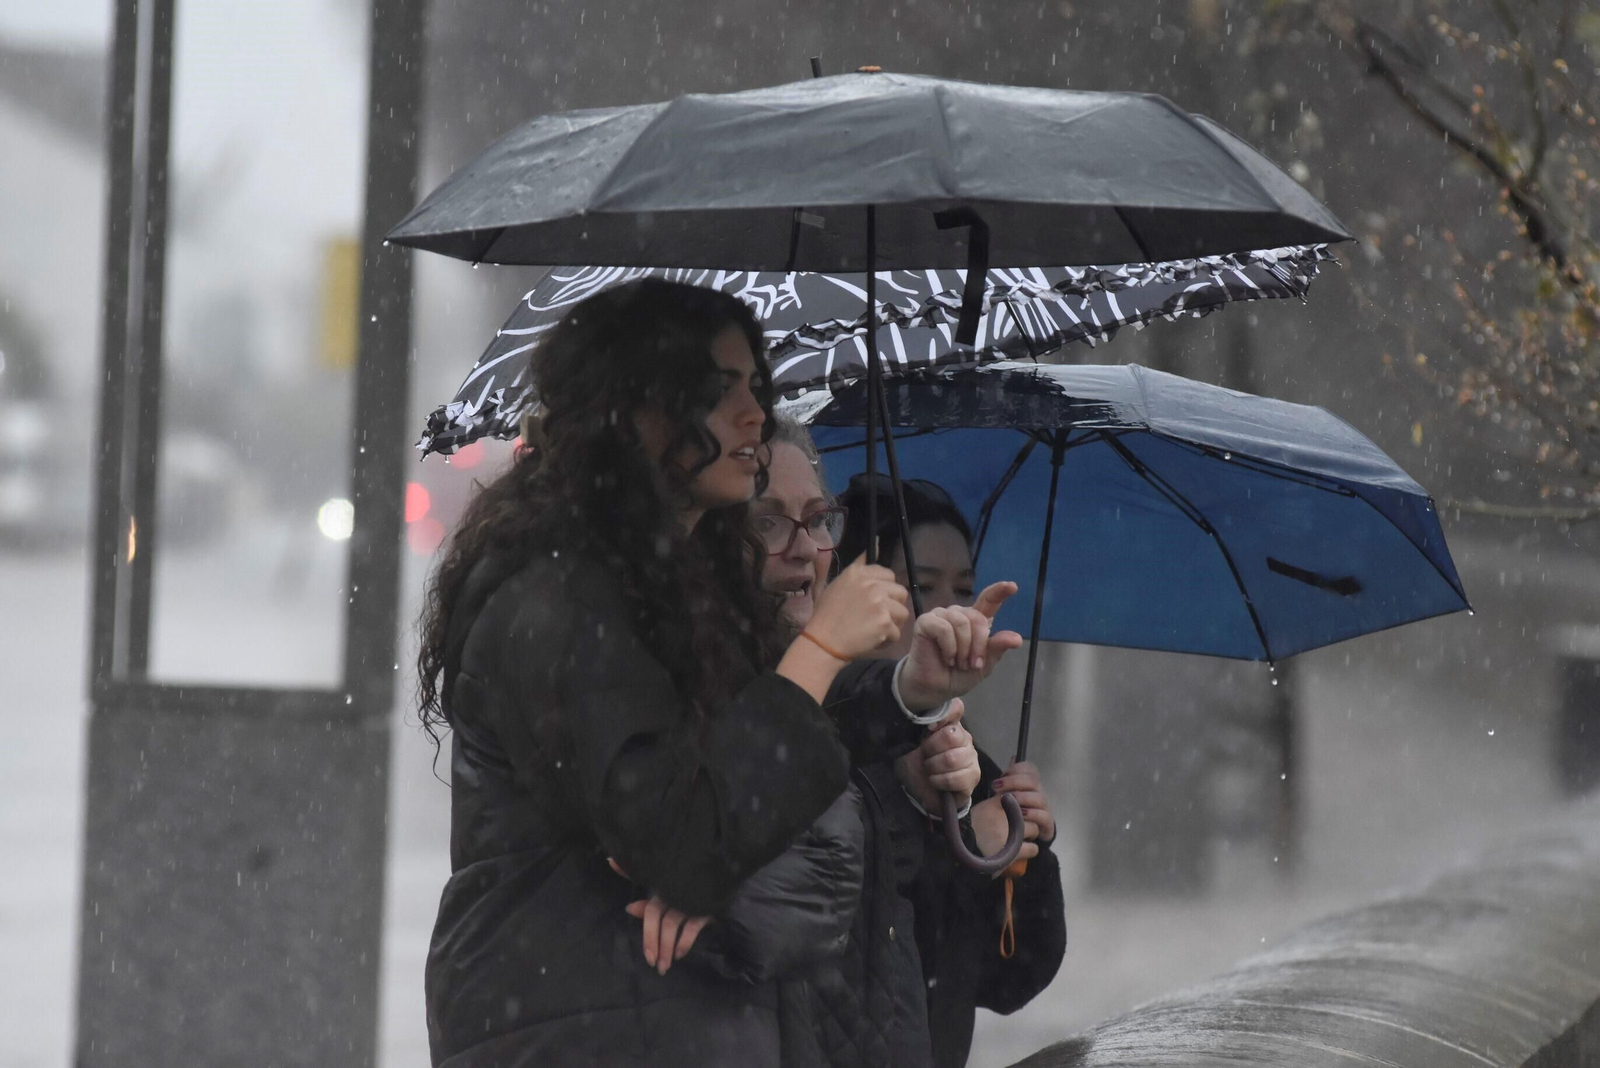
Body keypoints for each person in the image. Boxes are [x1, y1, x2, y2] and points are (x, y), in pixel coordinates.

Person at [416, 279, 917, 1068]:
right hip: (583, 1029)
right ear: (630, 411)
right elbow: (686, 838)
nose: (755, 416)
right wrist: (820, 648)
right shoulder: (560, 600)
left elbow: (752, 751)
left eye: (755, 387)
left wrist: (910, 693)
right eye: (717, 391)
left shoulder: (672, 584)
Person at [838, 474, 1069, 1068]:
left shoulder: (968, 759)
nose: (949, 611)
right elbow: (845, 942)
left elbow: (1007, 980)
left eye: (963, 588)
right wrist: (961, 842)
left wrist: (1025, 853)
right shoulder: (815, 736)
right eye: (922, 585)